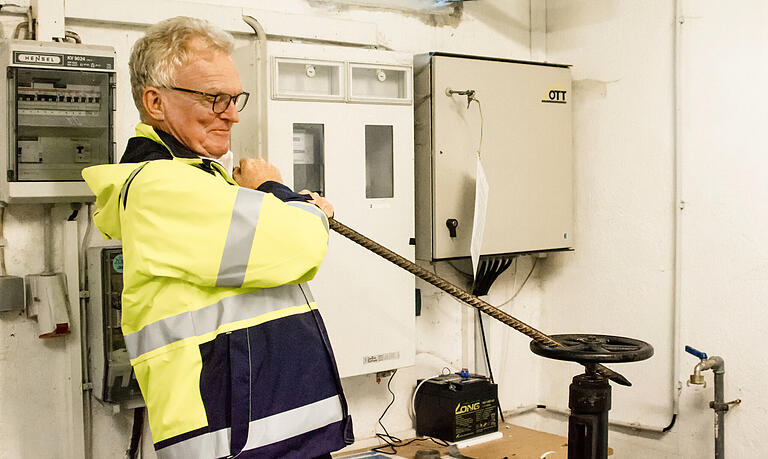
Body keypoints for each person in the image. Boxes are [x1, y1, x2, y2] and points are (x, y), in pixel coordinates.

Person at [82, 16, 352, 459]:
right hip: (235, 438)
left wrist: (279, 207)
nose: (232, 113)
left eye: (233, 97)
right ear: (154, 101)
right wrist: (277, 192)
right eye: (213, 98)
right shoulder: (159, 187)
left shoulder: (202, 183)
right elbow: (297, 248)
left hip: (266, 429)